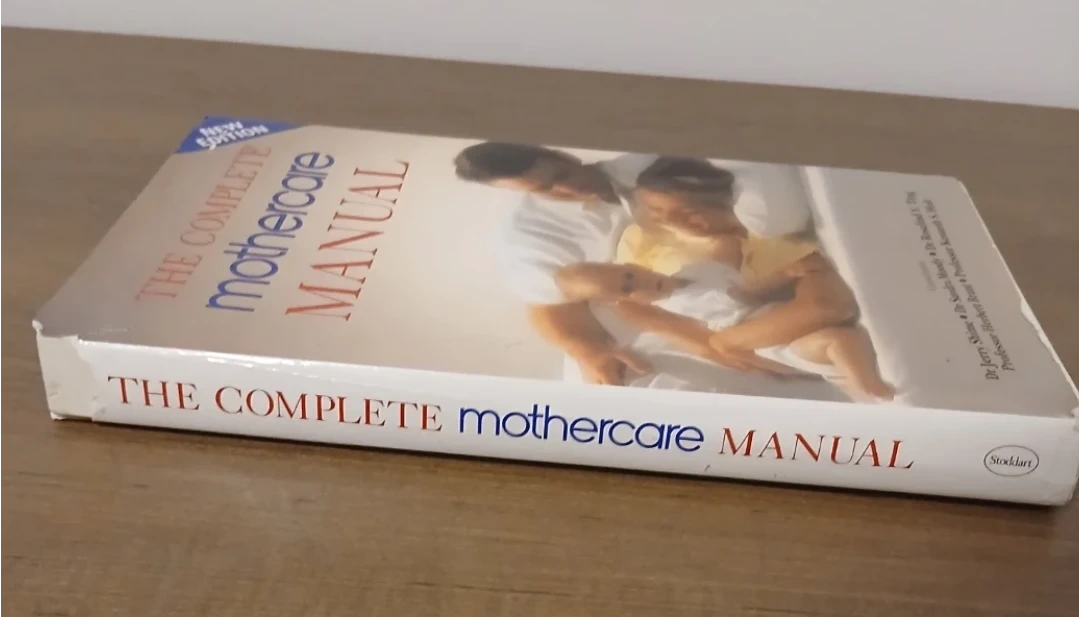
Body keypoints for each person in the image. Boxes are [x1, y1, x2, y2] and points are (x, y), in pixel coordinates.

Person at [614, 155, 894, 399]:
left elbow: (826, 303)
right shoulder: (642, 240)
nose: (673, 223)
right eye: (657, 213)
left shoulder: (763, 238)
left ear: (722, 202)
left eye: (690, 213)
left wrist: (727, 344)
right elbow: (623, 302)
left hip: (756, 333)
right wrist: (706, 345)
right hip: (703, 344)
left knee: (828, 343)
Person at [553, 258, 894, 402]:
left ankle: (853, 368)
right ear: (620, 302)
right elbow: (717, 341)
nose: (638, 283)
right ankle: (864, 383)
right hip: (761, 340)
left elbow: (746, 290)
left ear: (630, 264)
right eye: (627, 290)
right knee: (836, 340)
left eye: (629, 275)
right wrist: (770, 367)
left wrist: (785, 274)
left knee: (825, 301)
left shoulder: (699, 269)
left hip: (771, 315)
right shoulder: (669, 308)